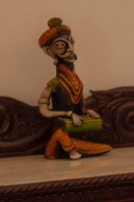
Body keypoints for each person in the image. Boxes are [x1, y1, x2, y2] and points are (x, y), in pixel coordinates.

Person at [36, 18, 112, 160]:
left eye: (71, 42)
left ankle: (74, 147)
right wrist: (68, 114)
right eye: (61, 45)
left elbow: (81, 107)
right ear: (49, 51)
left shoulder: (77, 81)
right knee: (60, 135)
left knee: (99, 147)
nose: (70, 49)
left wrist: (87, 112)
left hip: (75, 130)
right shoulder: (54, 83)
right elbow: (44, 111)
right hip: (60, 132)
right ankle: (70, 148)